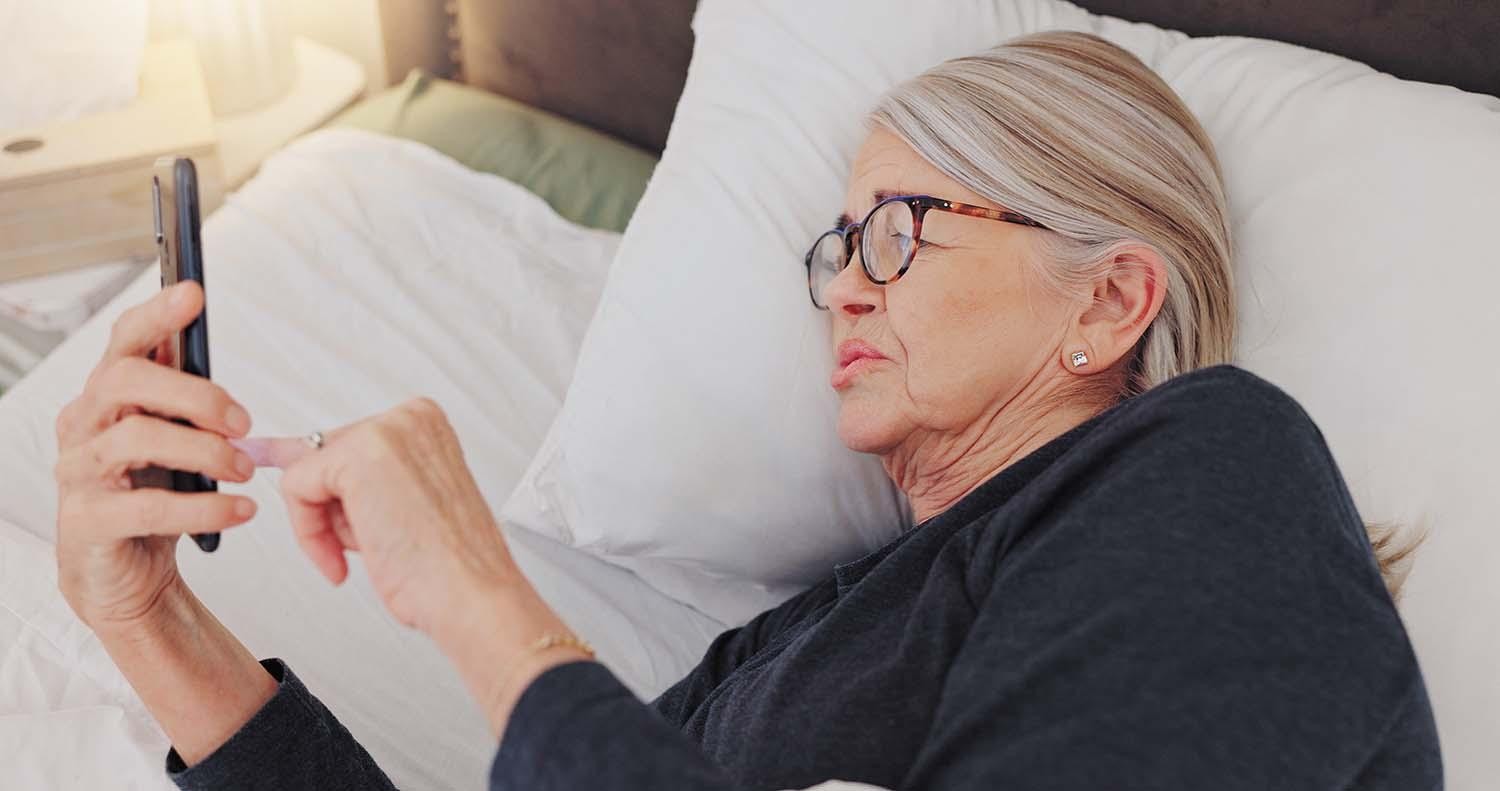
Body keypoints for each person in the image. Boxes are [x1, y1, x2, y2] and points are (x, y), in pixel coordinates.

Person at [53, 31, 1440, 790]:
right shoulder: (783, 650)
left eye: (897, 230)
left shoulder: (1219, 472)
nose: (841, 291)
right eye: (835, 251)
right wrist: (149, 623)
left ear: (1108, 300)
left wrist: (479, 596)